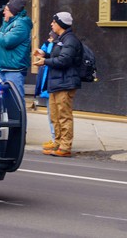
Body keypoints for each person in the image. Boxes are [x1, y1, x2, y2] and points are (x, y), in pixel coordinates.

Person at [33, 12, 81, 157]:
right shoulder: (61, 39)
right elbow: (58, 57)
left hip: (65, 83)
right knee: (55, 115)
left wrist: (45, 61)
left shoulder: (70, 40)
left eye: (54, 22)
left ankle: (65, 146)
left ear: (60, 24)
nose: (51, 24)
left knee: (64, 115)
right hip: (56, 82)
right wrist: (44, 55)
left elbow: (64, 60)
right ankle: (58, 143)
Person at [0, 0, 32, 107]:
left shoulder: (21, 25)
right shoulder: (7, 24)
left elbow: (7, 41)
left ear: (13, 11)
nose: (4, 11)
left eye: (6, 9)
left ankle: (19, 124)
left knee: (15, 101)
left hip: (14, 70)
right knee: (5, 102)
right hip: (3, 69)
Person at [35, 31, 57, 145]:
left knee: (56, 113)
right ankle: (55, 138)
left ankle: (57, 139)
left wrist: (45, 58)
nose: (49, 39)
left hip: (56, 84)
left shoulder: (62, 44)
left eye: (51, 37)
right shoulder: (48, 44)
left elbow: (59, 60)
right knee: (51, 113)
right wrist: (42, 53)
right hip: (49, 83)